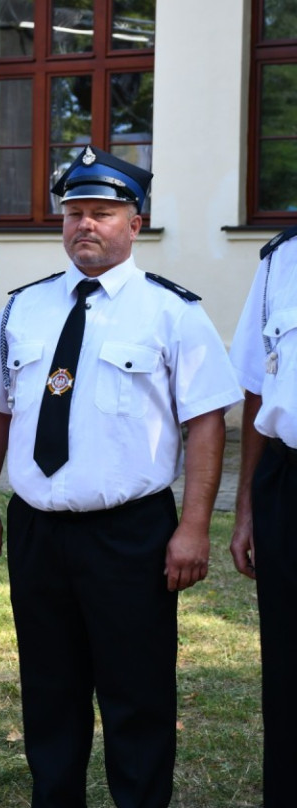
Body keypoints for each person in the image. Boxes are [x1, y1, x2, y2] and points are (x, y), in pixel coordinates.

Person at [0, 145, 242, 808]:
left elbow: (207, 423)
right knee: (49, 692)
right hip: (38, 532)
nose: (85, 224)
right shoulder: (21, 310)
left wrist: (194, 526)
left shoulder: (173, 313)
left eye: (103, 213)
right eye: (74, 212)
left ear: (135, 222)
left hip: (130, 535)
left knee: (137, 696)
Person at [228, 226, 297, 808]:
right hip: (289, 479)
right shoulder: (281, 261)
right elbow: (256, 386)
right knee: (287, 663)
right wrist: (246, 504)